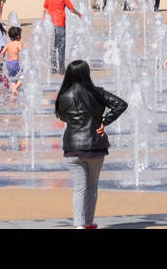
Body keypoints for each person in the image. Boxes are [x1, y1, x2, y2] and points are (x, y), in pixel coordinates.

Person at [54, 60, 127, 229]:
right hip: (95, 145)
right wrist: (104, 121)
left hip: (73, 147)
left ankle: (79, 225)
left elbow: (63, 117)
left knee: (79, 188)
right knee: (92, 186)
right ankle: (88, 223)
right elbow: (121, 104)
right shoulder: (97, 93)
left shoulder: (63, 96)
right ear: (87, 73)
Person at [42, 0, 82, 73]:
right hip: (60, 23)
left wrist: (42, 22)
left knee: (52, 45)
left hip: (51, 24)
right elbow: (71, 9)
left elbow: (44, 10)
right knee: (61, 46)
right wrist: (79, 14)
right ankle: (62, 69)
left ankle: (53, 68)